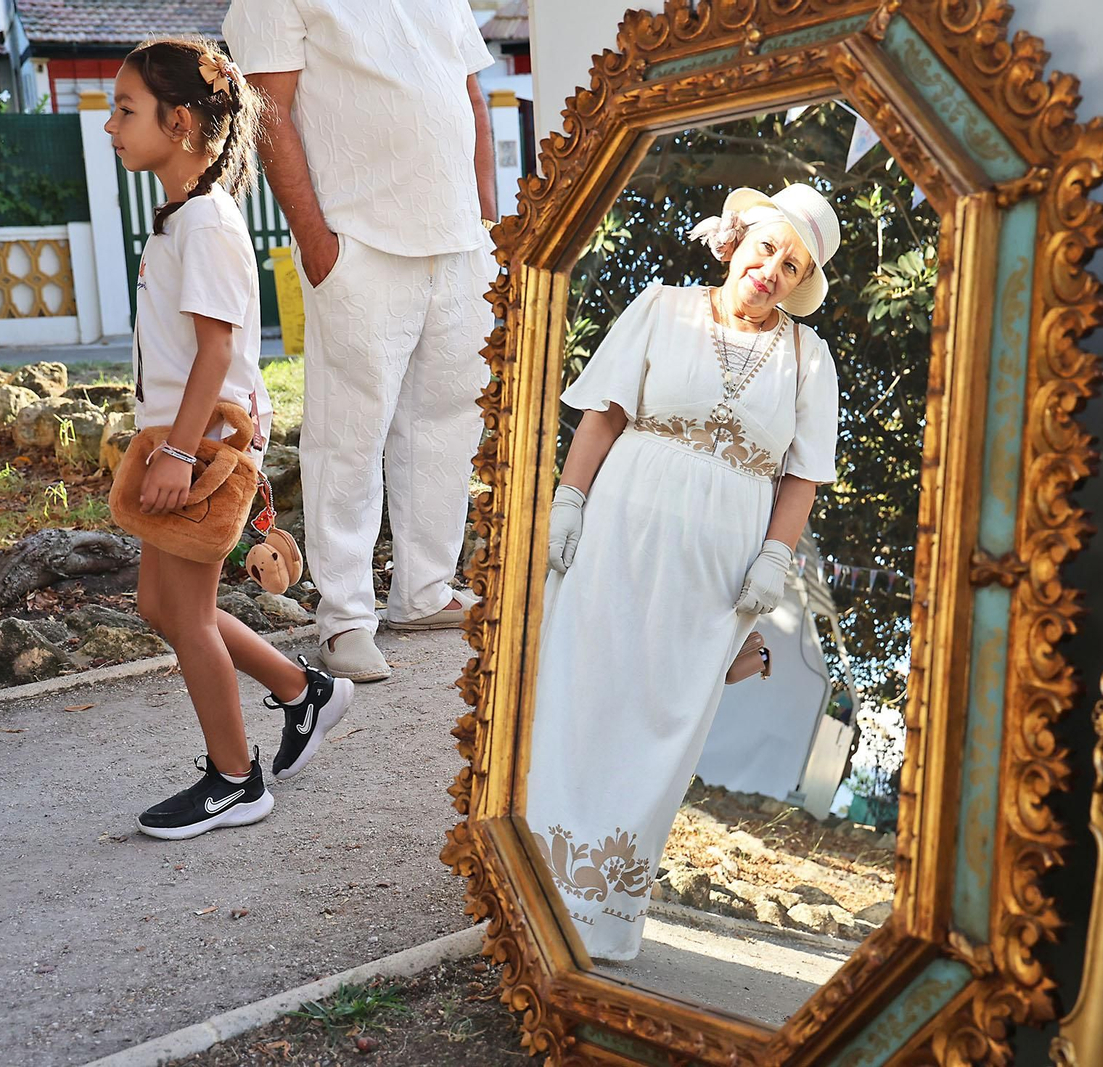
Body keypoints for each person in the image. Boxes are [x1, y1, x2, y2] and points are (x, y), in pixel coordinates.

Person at [527, 184, 843, 960]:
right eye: (767, 248)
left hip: (717, 574)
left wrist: (774, 556)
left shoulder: (810, 359)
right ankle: (528, 886)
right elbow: (604, 413)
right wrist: (569, 500)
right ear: (738, 242)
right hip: (618, 531)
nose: (772, 270)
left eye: (793, 266)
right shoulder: (662, 307)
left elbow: (802, 477)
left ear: (801, 284)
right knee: (580, 691)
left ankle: (598, 917)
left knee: (662, 724)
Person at [106, 38, 355, 841]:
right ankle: (302, 689)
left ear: (179, 123)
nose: (110, 125)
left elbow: (217, 352)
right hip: (184, 439)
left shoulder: (208, 223)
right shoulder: (183, 220)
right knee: (164, 604)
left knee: (188, 615)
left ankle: (235, 779)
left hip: (208, 449)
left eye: (126, 110)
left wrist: (180, 455)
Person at [222, 0, 499, 683]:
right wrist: (317, 242)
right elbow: (269, 110)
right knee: (348, 432)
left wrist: (489, 226)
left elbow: (471, 95)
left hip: (462, 243)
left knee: (448, 422)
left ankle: (424, 589)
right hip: (357, 242)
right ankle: (345, 616)